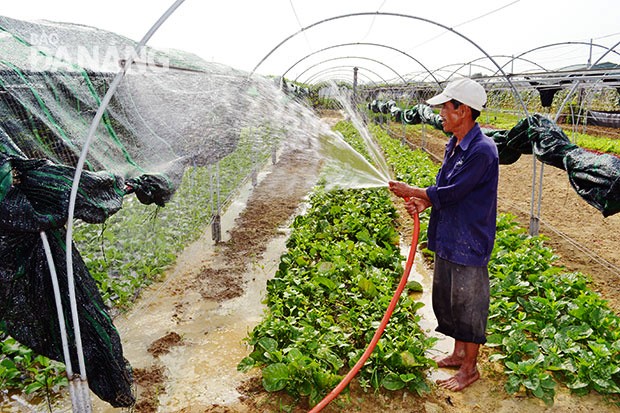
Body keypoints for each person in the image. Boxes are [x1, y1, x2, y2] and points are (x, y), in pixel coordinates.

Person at [388, 77, 499, 391]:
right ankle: (457, 352)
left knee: (469, 304)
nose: (439, 114)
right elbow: (447, 190)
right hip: (450, 234)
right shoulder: (455, 144)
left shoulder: (482, 151)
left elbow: (455, 190)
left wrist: (412, 190)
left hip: (469, 239)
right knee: (449, 299)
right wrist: (424, 202)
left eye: (444, 108)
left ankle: (470, 368)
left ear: (462, 111)